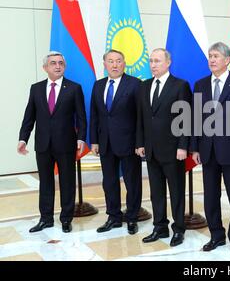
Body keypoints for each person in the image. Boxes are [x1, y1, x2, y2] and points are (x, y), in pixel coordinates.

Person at [190, 42, 230, 255]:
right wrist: (195, 148)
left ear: (227, 60)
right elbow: (195, 118)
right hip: (207, 150)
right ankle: (216, 236)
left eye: (216, 56)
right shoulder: (200, 84)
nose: (211, 59)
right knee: (210, 197)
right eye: (210, 56)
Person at [18, 51, 87, 233]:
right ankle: (46, 219)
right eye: (53, 63)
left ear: (64, 66)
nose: (57, 66)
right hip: (43, 144)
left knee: (67, 182)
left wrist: (81, 138)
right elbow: (29, 117)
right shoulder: (36, 88)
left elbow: (81, 117)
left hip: (66, 144)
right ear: (45, 68)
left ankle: (66, 219)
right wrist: (23, 138)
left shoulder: (74, 88)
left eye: (60, 63)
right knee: (46, 183)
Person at [136, 48, 192, 247]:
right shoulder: (144, 86)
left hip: (173, 149)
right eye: (151, 61)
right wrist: (140, 143)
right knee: (156, 192)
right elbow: (141, 118)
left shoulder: (180, 85)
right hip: (151, 150)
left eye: (157, 61)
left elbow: (186, 119)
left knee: (176, 192)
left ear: (168, 63)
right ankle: (160, 227)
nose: (153, 64)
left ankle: (179, 230)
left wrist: (183, 146)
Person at [90, 49, 142, 235]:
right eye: (110, 61)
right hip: (105, 142)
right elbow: (95, 115)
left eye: (118, 61)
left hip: (129, 143)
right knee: (109, 181)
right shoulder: (98, 85)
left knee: (132, 182)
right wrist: (94, 141)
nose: (114, 65)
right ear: (105, 64)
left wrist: (139, 142)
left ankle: (132, 218)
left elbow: (140, 117)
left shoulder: (135, 84)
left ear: (124, 63)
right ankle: (113, 216)